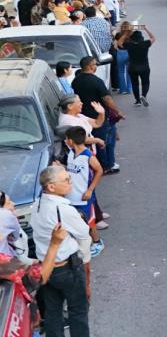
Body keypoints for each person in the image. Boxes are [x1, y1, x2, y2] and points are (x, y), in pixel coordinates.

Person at [31, 165, 91, 337]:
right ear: (51, 186)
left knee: (53, 312)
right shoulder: (63, 209)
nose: (70, 182)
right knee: (78, 310)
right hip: (67, 268)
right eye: (66, 180)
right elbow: (83, 232)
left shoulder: (37, 205)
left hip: (47, 268)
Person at [72, 56, 124, 174]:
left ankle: (98, 164)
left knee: (92, 141)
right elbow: (107, 98)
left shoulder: (76, 81)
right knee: (104, 141)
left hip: (83, 117)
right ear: (90, 66)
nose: (96, 66)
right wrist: (117, 111)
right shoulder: (96, 81)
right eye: (95, 64)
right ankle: (106, 166)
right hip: (98, 117)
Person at [63, 127, 104, 257]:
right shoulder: (70, 153)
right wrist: (61, 166)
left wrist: (90, 190)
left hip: (83, 196)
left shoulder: (88, 156)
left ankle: (97, 242)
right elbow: (71, 170)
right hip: (70, 196)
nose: (65, 141)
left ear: (70, 140)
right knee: (76, 221)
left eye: (66, 139)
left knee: (89, 221)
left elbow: (99, 170)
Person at [117, 27, 156, 107]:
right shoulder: (145, 43)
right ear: (141, 38)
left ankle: (137, 101)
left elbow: (119, 43)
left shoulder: (129, 45)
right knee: (145, 82)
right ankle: (143, 95)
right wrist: (146, 29)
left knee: (135, 84)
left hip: (132, 67)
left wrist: (126, 33)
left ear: (132, 39)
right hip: (144, 67)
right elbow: (153, 38)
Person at [113, 30, 132, 95]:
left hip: (120, 53)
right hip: (129, 53)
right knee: (129, 72)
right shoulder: (131, 35)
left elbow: (115, 45)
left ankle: (122, 89)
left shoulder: (118, 34)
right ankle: (129, 89)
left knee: (121, 72)